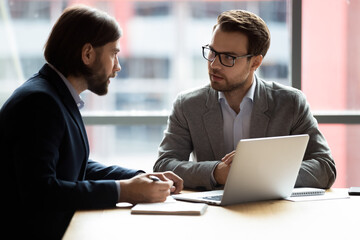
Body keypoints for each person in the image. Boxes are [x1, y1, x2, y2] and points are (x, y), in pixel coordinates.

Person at [0, 5, 183, 239]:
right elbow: (40, 192)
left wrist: (139, 178)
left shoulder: (54, 95)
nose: (118, 66)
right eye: (113, 53)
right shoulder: (40, 102)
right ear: (87, 54)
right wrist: (123, 191)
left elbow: (76, 166)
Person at [154, 9, 336, 191]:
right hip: (212, 212)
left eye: (228, 57)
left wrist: (260, 172)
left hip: (272, 211)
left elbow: (325, 168)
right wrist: (216, 172)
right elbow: (164, 165)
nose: (214, 65)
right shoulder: (188, 105)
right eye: (212, 52)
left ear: (256, 62)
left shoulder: (290, 103)